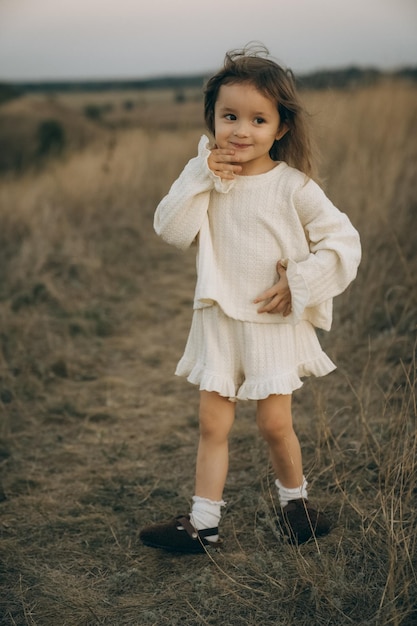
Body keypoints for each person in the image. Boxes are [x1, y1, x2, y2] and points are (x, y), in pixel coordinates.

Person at [140, 45, 361, 553]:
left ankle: (296, 508)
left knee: (273, 422)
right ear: (212, 119)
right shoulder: (204, 177)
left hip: (270, 319)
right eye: (229, 116)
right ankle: (203, 525)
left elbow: (344, 242)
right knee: (211, 423)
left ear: (280, 128)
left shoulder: (294, 187)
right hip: (218, 317)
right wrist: (201, 176)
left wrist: (300, 281)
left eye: (257, 119)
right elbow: (171, 230)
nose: (241, 130)